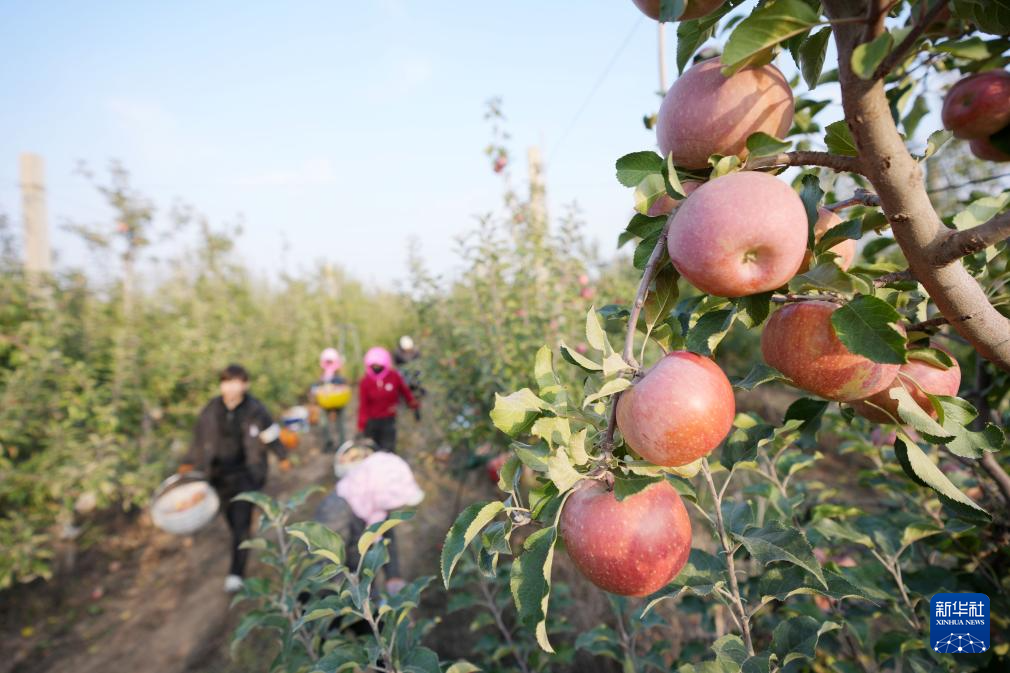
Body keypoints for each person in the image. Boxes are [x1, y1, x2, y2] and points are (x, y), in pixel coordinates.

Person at [179, 364, 291, 593]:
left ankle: (236, 573)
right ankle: (240, 545)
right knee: (231, 520)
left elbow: (270, 434)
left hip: (247, 474)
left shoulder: (255, 409)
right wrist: (189, 461)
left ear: (245, 384)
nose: (230, 387)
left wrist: (281, 455)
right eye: (226, 382)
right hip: (218, 476)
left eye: (236, 382)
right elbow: (199, 439)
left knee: (241, 523)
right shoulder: (211, 409)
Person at [357, 347, 419, 452]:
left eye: (378, 365)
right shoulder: (365, 382)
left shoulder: (393, 376)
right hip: (372, 423)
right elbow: (363, 405)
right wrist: (361, 425)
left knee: (388, 451)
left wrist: (414, 406)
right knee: (372, 452)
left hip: (388, 420)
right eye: (373, 365)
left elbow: (405, 392)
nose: (376, 367)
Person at [312, 348, 350, 452]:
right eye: (327, 362)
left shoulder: (339, 376)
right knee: (324, 423)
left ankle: (343, 445)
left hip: (339, 402)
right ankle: (328, 443)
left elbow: (344, 386)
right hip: (325, 403)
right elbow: (315, 388)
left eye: (331, 362)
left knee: (340, 423)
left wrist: (336, 386)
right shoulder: (321, 377)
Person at [393, 335, 425, 400]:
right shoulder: (397, 352)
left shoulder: (416, 350)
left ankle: (419, 387)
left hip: (415, 368)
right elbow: (398, 365)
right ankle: (405, 391)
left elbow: (419, 361)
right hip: (404, 370)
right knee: (401, 374)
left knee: (420, 373)